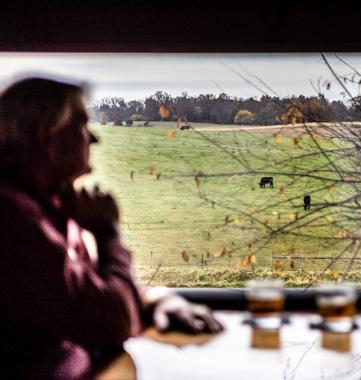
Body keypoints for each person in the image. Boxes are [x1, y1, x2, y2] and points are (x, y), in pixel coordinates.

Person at [0, 77, 223, 379]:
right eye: (81, 126)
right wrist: (108, 235)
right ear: (46, 138)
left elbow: (83, 290)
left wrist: (158, 300)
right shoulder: (14, 218)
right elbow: (111, 323)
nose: (94, 139)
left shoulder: (47, 203)